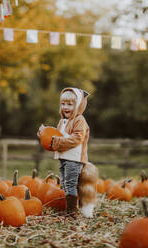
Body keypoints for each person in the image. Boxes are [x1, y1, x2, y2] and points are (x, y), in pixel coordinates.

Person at [38, 87, 91, 217]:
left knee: (70, 183)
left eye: (70, 104)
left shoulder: (79, 120)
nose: (65, 107)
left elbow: (77, 138)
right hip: (64, 157)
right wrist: (44, 133)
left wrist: (57, 141)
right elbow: (55, 136)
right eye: (63, 104)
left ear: (78, 105)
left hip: (75, 158)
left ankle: (72, 211)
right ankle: (71, 208)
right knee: (65, 183)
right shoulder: (62, 121)